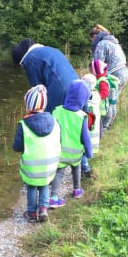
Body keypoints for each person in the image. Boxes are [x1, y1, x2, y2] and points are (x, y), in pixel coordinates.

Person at [12, 84, 61, 222]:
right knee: (45, 183)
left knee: (32, 186)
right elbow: (59, 141)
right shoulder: (55, 122)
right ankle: (43, 209)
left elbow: (17, 147)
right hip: (49, 165)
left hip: (32, 167)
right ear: (44, 104)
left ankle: (32, 212)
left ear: (29, 106)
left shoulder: (24, 124)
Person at [49, 79, 93, 208]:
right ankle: (77, 190)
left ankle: (54, 197)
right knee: (76, 169)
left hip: (60, 152)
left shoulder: (57, 111)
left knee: (59, 172)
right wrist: (89, 152)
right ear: (83, 99)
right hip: (76, 154)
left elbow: (51, 131)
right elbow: (85, 137)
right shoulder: (82, 116)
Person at [12, 38, 79, 114]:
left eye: (22, 66)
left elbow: (37, 91)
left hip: (61, 92)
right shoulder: (50, 50)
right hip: (77, 88)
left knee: (47, 115)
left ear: (22, 58)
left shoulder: (30, 60)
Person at [89, 25, 128, 129]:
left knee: (107, 101)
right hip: (124, 72)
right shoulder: (114, 42)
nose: (92, 42)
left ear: (95, 36)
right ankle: (110, 123)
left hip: (113, 74)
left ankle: (104, 126)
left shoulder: (102, 44)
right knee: (113, 100)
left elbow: (97, 64)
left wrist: (93, 81)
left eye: (92, 40)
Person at [80, 73, 102, 178]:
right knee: (87, 151)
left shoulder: (85, 98)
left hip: (86, 131)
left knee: (83, 152)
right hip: (94, 131)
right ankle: (85, 167)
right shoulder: (97, 95)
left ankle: (86, 169)